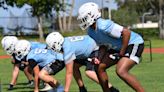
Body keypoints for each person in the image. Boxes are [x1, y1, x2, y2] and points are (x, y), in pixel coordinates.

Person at [77, 2, 145, 92]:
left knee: (121, 71)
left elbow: (126, 33)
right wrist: (98, 58)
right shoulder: (90, 32)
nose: (83, 20)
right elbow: (103, 46)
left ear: (92, 15)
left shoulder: (103, 25)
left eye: (85, 17)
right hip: (119, 47)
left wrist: (121, 53)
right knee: (99, 67)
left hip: (133, 43)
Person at [46, 32, 119, 92]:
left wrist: (66, 90)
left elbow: (69, 73)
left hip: (94, 49)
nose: (53, 48)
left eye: (52, 46)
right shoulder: (65, 42)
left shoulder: (67, 48)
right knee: (75, 66)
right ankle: (82, 89)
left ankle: (111, 88)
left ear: (57, 43)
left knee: (89, 72)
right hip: (87, 50)